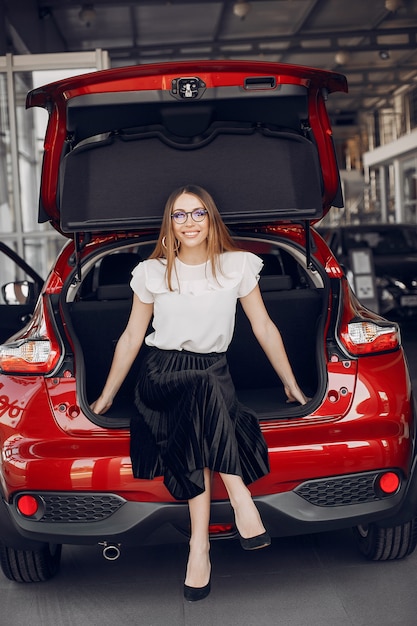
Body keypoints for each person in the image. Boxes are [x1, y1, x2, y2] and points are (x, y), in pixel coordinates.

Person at [91, 184, 308, 602]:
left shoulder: (238, 266)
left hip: (212, 373)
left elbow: (263, 327)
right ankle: (241, 497)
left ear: (211, 220)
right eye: (179, 215)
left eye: (197, 213)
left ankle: (199, 548)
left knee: (202, 403)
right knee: (204, 391)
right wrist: (105, 395)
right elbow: (133, 336)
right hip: (162, 375)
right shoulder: (153, 272)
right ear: (169, 225)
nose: (189, 222)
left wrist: (291, 381)